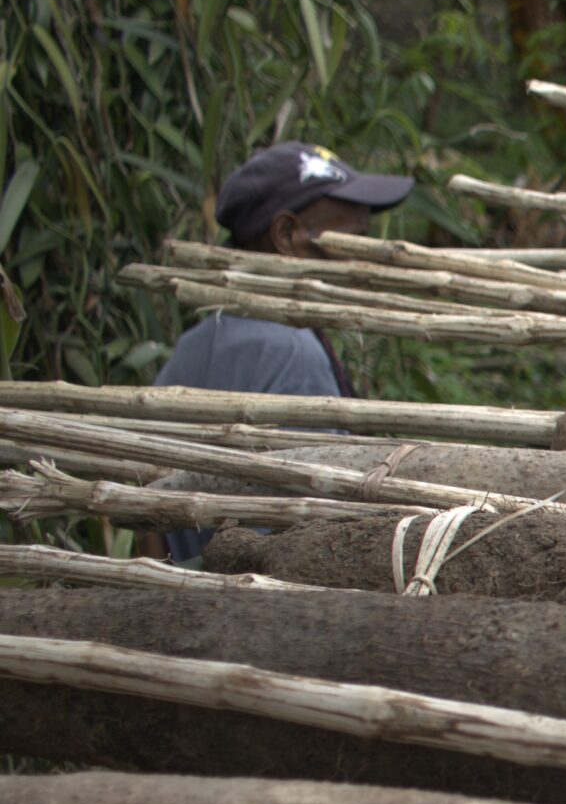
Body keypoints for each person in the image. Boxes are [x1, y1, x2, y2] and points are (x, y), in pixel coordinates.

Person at [151, 141, 413, 560]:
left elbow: (150, 521)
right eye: (355, 243)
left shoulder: (198, 342)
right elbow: (310, 544)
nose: (367, 266)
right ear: (287, 235)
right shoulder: (295, 356)